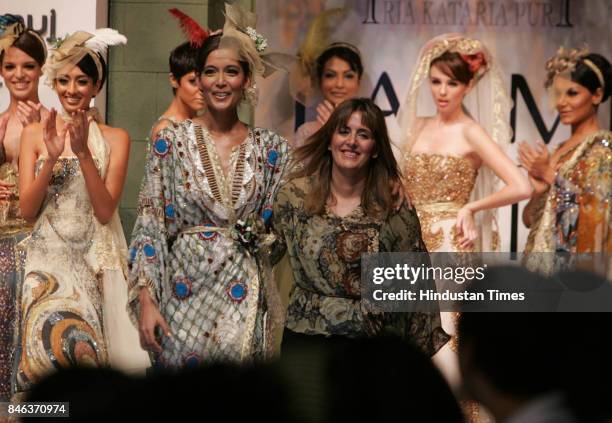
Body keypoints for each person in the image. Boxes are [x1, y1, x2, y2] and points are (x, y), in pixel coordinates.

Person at [129, 4, 290, 368]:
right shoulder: (170, 142)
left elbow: (289, 224)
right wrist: (146, 300)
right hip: (180, 296)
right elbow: (150, 224)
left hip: (243, 294)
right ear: (198, 79)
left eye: (231, 72)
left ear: (246, 80)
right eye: (210, 72)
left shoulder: (272, 150)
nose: (220, 81)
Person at [397, 34, 532, 421]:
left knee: (445, 339)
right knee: (410, 338)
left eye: (452, 83)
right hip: (411, 240)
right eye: (436, 81)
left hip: (449, 242)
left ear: (468, 86)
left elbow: (519, 185)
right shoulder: (416, 127)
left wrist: (470, 207)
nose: (442, 91)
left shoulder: (470, 132)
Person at [16, 28, 149, 393]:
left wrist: (85, 154)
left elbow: (106, 211)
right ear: (54, 83)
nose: (71, 90)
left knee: (86, 362)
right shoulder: (34, 135)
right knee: (42, 362)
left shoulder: (116, 138)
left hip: (91, 264)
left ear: (96, 85)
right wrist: (53, 157)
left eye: (81, 80)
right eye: (63, 80)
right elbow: (28, 210)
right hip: (45, 263)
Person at [274, 97, 448, 353]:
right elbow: (264, 251)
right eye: (344, 131)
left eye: (363, 134)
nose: (351, 141)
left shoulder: (394, 210)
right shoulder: (294, 197)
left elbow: (414, 294)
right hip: (304, 341)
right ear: (330, 142)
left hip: (368, 351)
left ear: (375, 148)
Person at [520, 47, 611, 260]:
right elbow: (528, 220)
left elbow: (598, 213)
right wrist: (538, 193)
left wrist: (550, 176)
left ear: (596, 95)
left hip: (573, 268)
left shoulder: (601, 149)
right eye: (558, 93)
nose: (561, 102)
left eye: (572, 93)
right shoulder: (559, 149)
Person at [0, 14, 48, 403]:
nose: (19, 75)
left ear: (41, 69)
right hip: (1, 247)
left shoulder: (56, 121)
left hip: (41, 243)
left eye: (28, 66)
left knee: (33, 335)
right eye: (10, 66)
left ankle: (41, 410)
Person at [290, 10, 363, 148]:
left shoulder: (370, 129)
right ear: (319, 80)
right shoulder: (307, 133)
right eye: (331, 75)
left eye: (348, 76)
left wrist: (336, 130)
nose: (339, 84)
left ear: (359, 81)